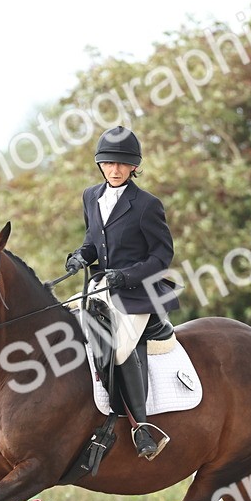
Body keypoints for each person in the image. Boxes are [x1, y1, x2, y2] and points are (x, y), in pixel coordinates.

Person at [65, 125, 179, 460]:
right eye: (109, 163)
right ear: (100, 164)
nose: (114, 170)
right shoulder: (91, 196)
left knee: (118, 346)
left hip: (138, 293)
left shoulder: (146, 205)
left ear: (133, 167)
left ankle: (142, 428)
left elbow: (161, 256)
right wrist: (79, 257)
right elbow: (93, 242)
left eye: (122, 164)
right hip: (101, 288)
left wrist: (125, 276)